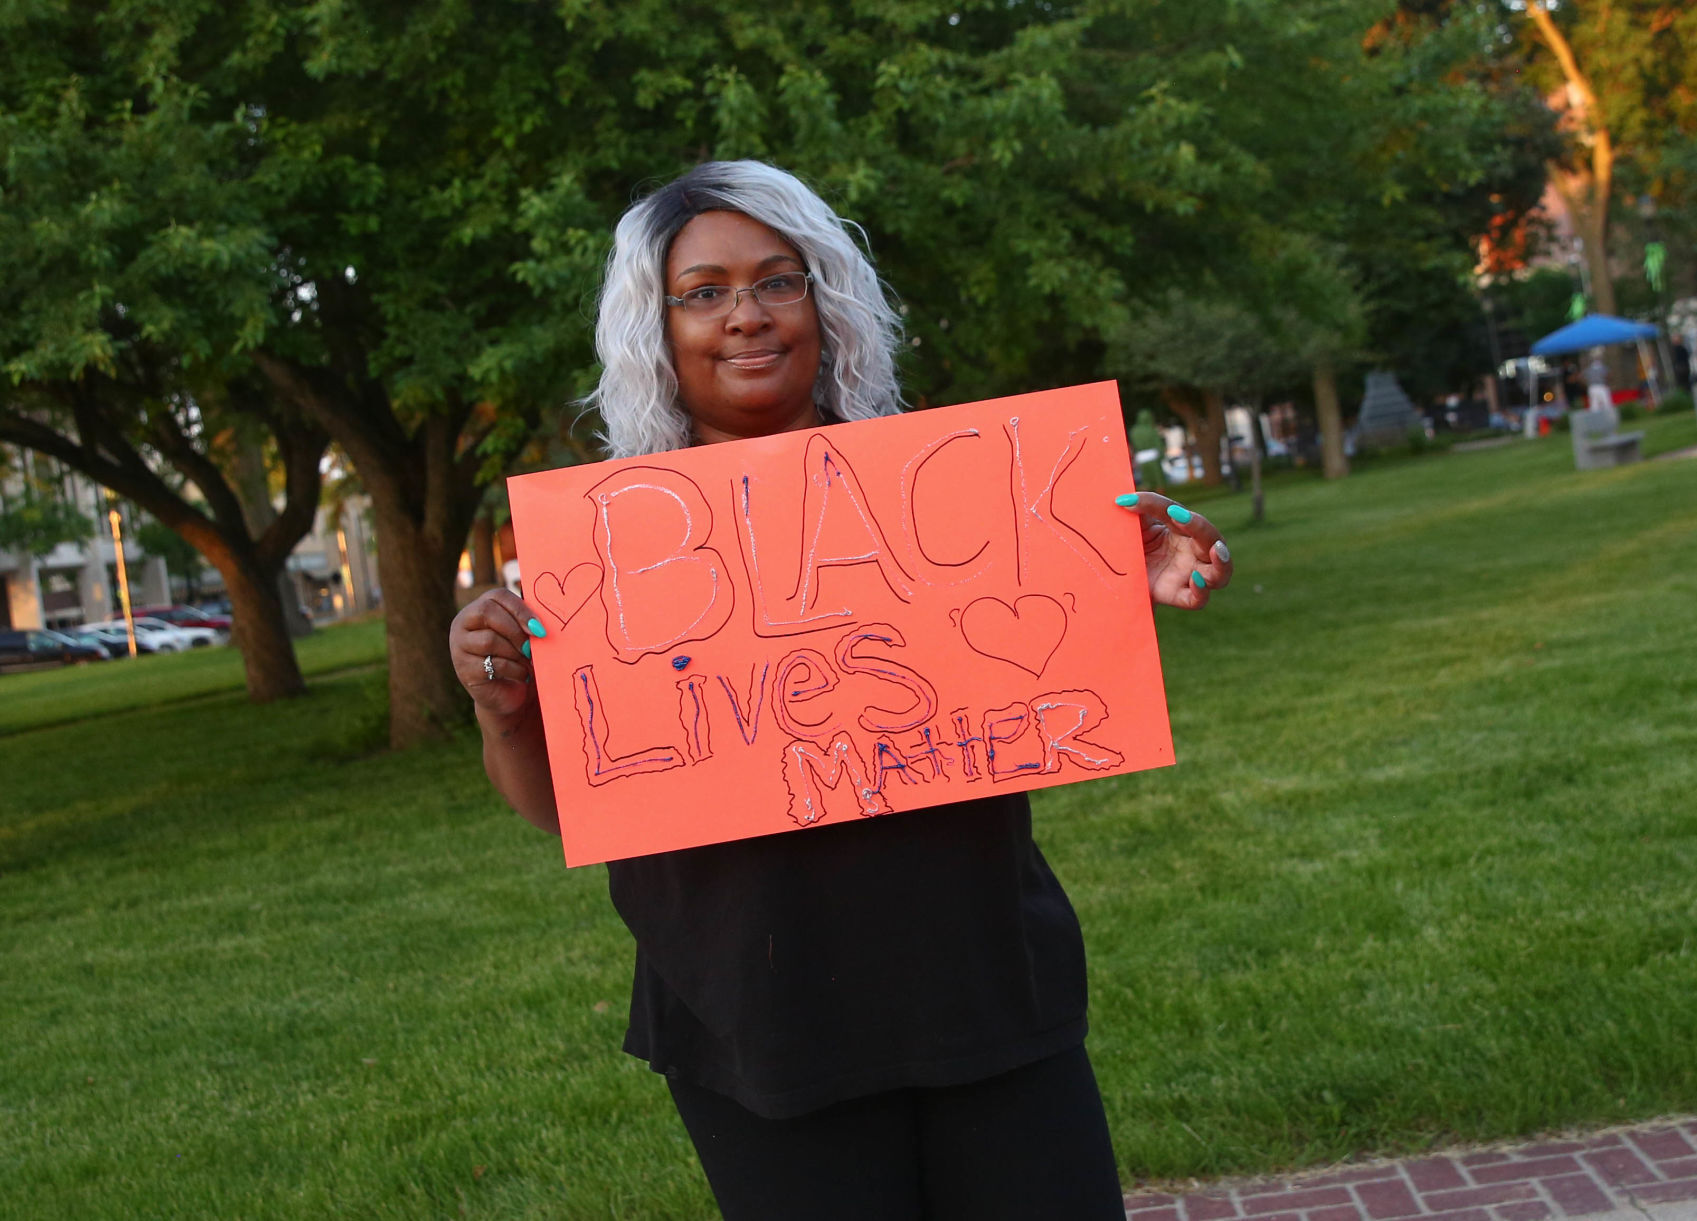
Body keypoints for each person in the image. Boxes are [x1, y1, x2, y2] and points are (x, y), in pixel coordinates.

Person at [448, 161, 1234, 1220]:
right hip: (755, 1023)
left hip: (980, 984)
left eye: (779, 280)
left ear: (826, 301)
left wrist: (1118, 581)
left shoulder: (959, 499)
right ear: (656, 327)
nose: (745, 316)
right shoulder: (601, 556)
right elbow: (563, 807)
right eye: (704, 290)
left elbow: (1039, 682)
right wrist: (504, 714)